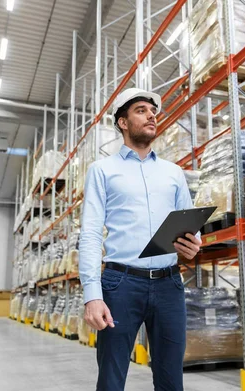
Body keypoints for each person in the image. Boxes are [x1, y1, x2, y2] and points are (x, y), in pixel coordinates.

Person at [79, 88, 202, 391]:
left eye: (153, 111)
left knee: (171, 378)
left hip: (169, 285)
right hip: (121, 284)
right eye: (142, 110)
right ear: (123, 122)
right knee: (111, 376)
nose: (151, 116)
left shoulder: (174, 174)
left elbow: (190, 228)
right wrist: (92, 294)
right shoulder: (102, 171)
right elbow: (91, 233)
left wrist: (193, 245)